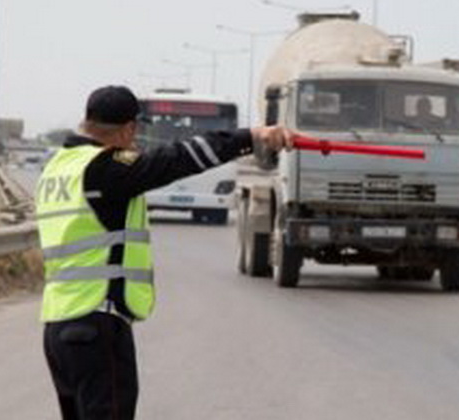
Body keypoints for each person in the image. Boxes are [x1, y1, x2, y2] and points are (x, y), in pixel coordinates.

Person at [36, 85, 294, 419]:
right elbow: (177, 159)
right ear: (128, 129)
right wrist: (252, 136)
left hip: (58, 326)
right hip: (96, 320)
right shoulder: (104, 168)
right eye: (135, 133)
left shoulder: (57, 168)